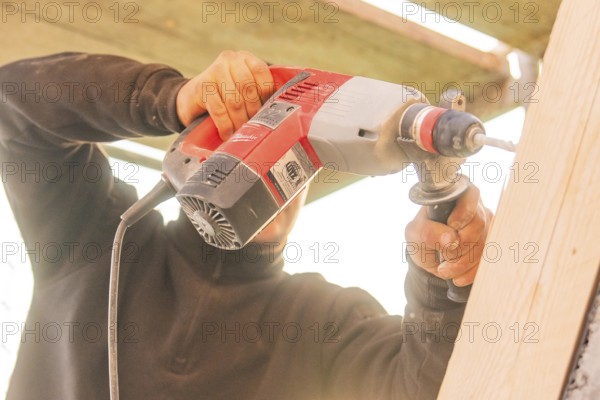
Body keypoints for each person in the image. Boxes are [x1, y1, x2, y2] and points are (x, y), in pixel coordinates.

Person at [0, 50, 492, 400]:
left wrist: (445, 285)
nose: (273, 176)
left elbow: (424, 388)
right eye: (252, 140)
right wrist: (170, 99)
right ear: (204, 144)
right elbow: (13, 100)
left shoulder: (322, 320)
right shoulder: (99, 241)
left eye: (294, 161)